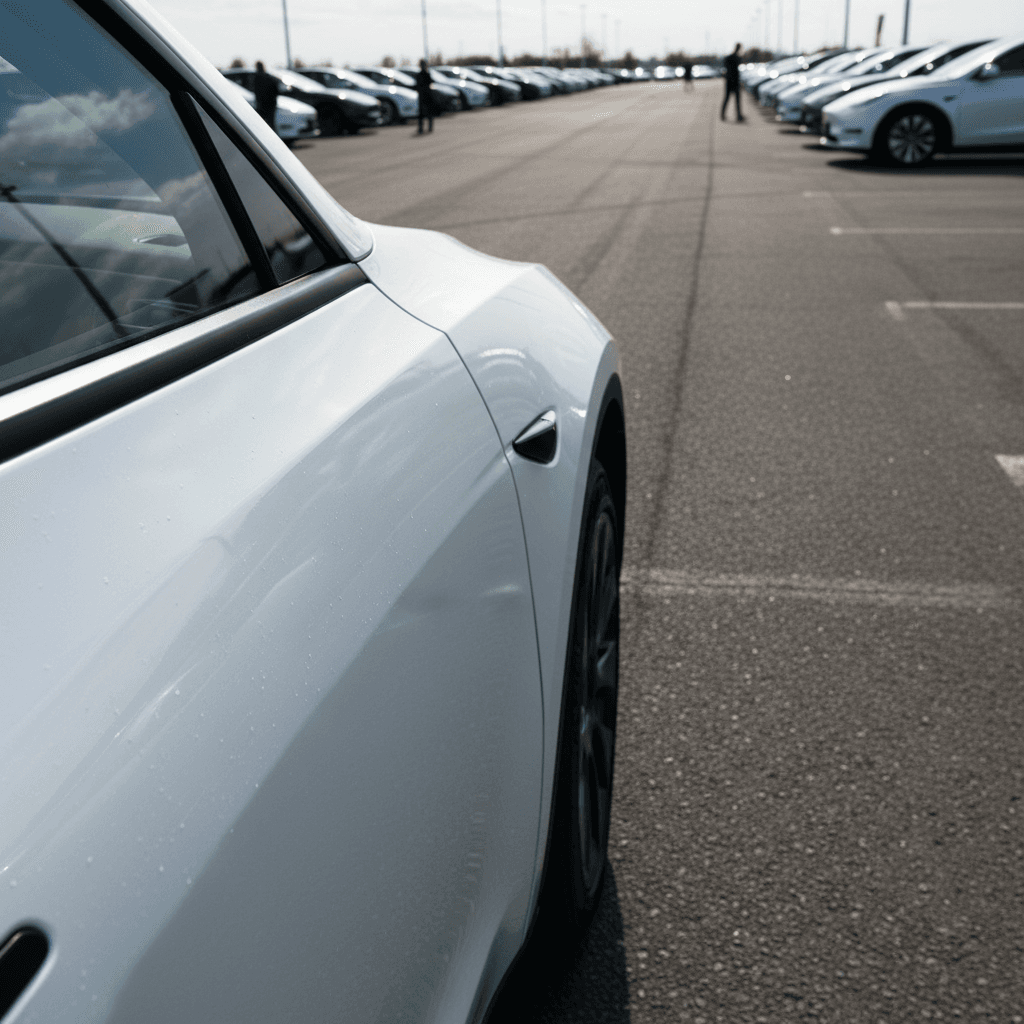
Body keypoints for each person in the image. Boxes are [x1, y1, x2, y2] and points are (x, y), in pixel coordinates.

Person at [252, 61, 279, 131]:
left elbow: (256, 92)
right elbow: (276, 91)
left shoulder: (257, 78)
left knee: (261, 125)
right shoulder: (269, 77)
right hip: (270, 104)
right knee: (271, 124)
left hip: (262, 105)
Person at [721, 43, 743, 121]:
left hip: (729, 80)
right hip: (734, 81)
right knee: (736, 99)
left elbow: (725, 67)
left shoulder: (729, 57)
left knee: (728, 98)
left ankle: (723, 114)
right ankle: (738, 115)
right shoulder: (736, 58)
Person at [415, 59, 434, 134]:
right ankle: (426, 127)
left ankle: (423, 128)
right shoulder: (425, 74)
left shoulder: (422, 74)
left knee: (424, 112)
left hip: (424, 94)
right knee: (424, 112)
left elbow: (418, 85)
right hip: (425, 94)